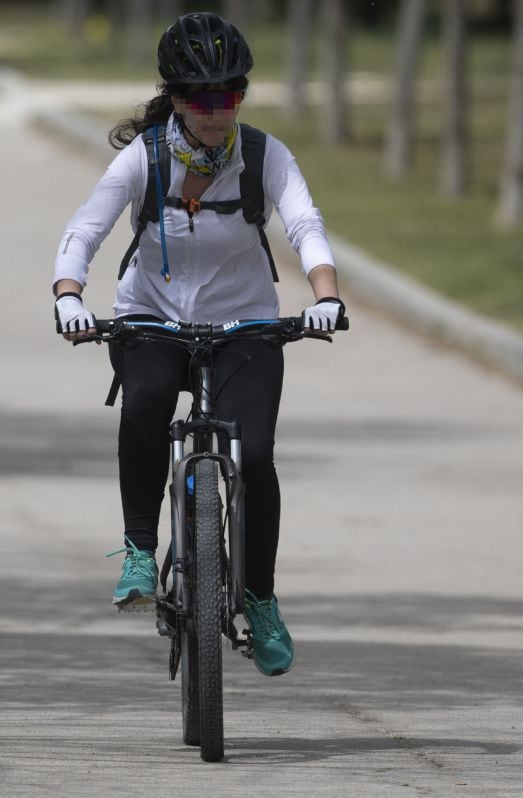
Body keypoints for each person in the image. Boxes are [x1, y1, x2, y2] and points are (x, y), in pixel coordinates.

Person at [52, 12, 345, 677]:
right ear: (178, 100)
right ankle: (137, 549)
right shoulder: (144, 157)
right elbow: (84, 230)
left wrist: (325, 296)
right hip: (151, 320)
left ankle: (260, 598)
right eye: (203, 99)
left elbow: (306, 223)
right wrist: (69, 295)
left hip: (245, 325)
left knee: (259, 453)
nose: (218, 112)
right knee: (147, 400)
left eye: (231, 96)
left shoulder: (265, 156)